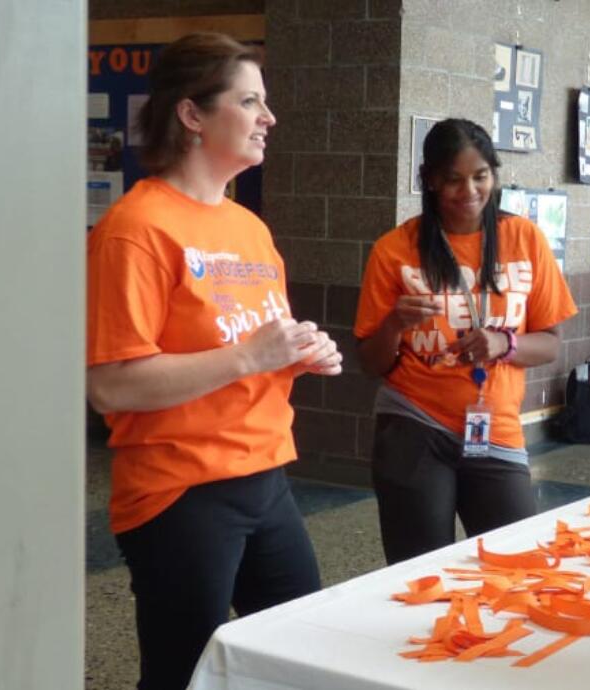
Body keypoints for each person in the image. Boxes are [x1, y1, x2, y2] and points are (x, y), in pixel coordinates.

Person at [85, 33, 342, 690]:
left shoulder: (248, 228)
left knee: (299, 659)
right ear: (192, 115)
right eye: (250, 101)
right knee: (180, 674)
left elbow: (254, 346)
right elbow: (112, 386)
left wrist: (297, 353)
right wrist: (248, 354)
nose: (269, 118)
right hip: (181, 491)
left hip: (267, 476)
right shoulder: (136, 228)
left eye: (266, 103)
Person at [355, 118, 577, 565]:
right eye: (453, 179)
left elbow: (551, 345)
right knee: (418, 570)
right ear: (430, 180)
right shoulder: (395, 249)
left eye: (481, 177)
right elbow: (370, 362)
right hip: (414, 423)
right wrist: (395, 323)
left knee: (513, 566)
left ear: (494, 175)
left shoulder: (524, 238)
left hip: (496, 425)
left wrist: (504, 344)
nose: (469, 191)